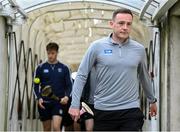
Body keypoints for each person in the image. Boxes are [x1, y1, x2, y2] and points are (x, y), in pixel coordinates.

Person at [68, 8, 157, 131]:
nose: (125, 27)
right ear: (112, 24)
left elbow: (144, 76)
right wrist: (74, 104)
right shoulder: (97, 47)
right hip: (103, 111)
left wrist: (152, 100)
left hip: (130, 110)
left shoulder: (139, 50)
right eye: (121, 23)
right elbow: (81, 75)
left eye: (129, 24)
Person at [33, 42, 73, 131]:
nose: (50, 56)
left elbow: (69, 85)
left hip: (58, 103)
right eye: (48, 53)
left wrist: (66, 97)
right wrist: (39, 98)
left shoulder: (64, 68)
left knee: (56, 127)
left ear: (57, 53)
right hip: (44, 103)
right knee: (47, 129)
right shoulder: (40, 68)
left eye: (52, 53)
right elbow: (35, 85)